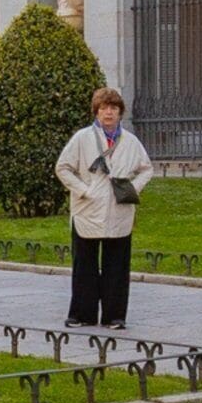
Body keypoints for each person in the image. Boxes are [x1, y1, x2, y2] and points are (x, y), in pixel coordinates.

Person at [54, 85, 154, 328]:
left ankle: (114, 315)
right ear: (96, 112)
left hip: (118, 210)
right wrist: (83, 190)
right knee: (84, 263)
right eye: (103, 108)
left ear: (120, 112)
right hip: (88, 209)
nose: (108, 113)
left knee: (117, 265)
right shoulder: (82, 138)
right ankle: (82, 314)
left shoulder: (130, 142)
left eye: (113, 108)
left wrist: (131, 189)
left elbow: (146, 169)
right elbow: (63, 167)